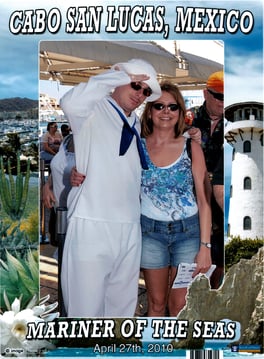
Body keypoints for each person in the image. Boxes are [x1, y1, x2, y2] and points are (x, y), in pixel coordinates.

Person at [59, 58, 162, 317]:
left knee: (121, 311)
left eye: (146, 91)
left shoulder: (136, 123)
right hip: (91, 221)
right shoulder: (92, 109)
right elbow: (68, 102)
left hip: (129, 225)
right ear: (117, 82)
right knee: (85, 313)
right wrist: (114, 76)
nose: (140, 95)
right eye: (136, 85)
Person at [140, 81, 212, 316]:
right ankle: (154, 352)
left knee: (180, 306)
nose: (166, 112)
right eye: (159, 106)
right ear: (149, 111)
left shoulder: (191, 146)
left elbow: (203, 200)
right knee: (157, 304)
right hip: (150, 234)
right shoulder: (136, 147)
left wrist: (205, 247)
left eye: (172, 107)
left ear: (181, 112)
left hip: (188, 234)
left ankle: (179, 352)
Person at [192, 71, 224, 289]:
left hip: (223, 201)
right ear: (205, 93)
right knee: (193, 259)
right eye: (219, 96)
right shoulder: (186, 117)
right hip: (194, 198)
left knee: (221, 260)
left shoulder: (237, 119)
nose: (224, 102)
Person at [42, 133, 75, 316]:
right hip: (61, 215)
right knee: (64, 272)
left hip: (81, 218)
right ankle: (65, 315)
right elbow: (57, 168)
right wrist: (47, 186)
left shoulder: (98, 140)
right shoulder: (69, 139)